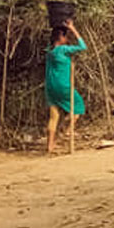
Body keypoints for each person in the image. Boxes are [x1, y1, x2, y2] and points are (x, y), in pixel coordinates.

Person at [45, 19, 86, 153]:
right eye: (65, 36)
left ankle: (50, 146)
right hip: (63, 86)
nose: (67, 39)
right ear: (60, 38)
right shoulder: (63, 50)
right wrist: (73, 28)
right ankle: (68, 130)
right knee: (79, 107)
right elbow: (82, 46)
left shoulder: (49, 52)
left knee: (54, 116)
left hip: (50, 87)